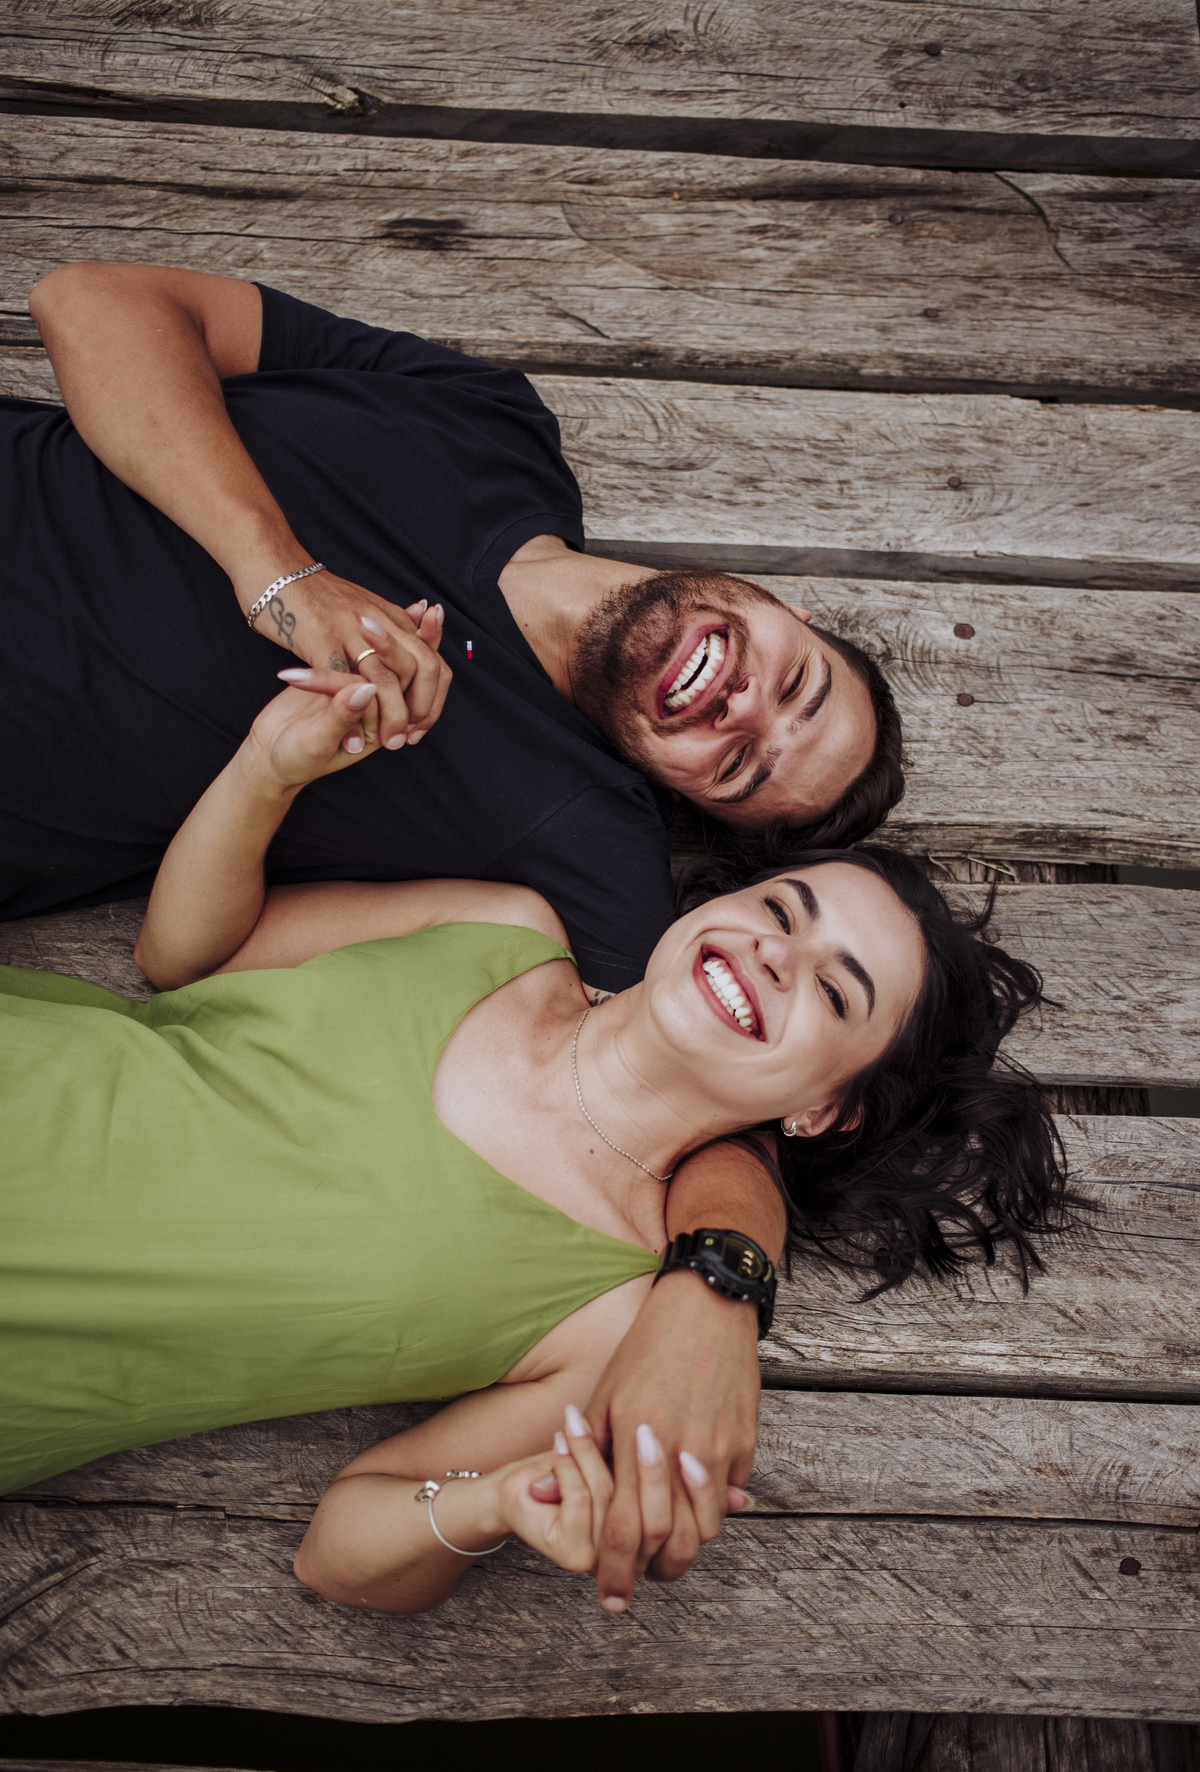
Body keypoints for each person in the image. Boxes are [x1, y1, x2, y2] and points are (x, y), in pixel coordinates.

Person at [1, 259, 905, 1599]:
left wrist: (721, 1286)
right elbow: (92, 305)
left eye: (744, 767)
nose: (744, 708)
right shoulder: (487, 419)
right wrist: (283, 576)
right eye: (803, 687)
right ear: (791, 612)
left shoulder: (578, 860)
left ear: (694, 823)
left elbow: (724, 1101)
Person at [1, 673, 1068, 1615]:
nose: (777, 956)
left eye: (836, 991)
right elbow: (184, 958)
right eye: (784, 910)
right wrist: (266, 770)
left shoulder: (617, 1322)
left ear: (824, 1110)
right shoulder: (503, 926)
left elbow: (340, 1555)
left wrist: (497, 1503)